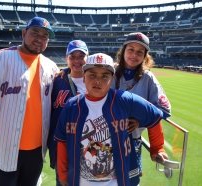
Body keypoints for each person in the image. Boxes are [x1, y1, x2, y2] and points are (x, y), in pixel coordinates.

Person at [54, 53, 166, 186]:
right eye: (92, 75)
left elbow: (154, 116)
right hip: (81, 181)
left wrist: (157, 149)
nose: (97, 81)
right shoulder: (71, 106)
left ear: (111, 79)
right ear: (84, 77)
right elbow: (62, 141)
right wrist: (62, 173)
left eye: (104, 76)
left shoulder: (125, 99)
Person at [0, 16, 59, 186]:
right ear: (23, 33)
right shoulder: (1, 58)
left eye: (45, 36)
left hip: (37, 149)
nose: (39, 39)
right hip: (4, 145)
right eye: (35, 33)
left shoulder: (52, 66)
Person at [114, 32, 171, 184]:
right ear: (123, 51)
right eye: (131, 49)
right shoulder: (109, 72)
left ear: (145, 56)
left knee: (131, 182)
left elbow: (164, 109)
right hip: (106, 139)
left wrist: (140, 121)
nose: (134, 55)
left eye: (140, 52)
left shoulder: (148, 78)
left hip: (132, 142)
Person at [48, 40, 89, 186]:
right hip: (63, 145)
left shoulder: (96, 79)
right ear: (67, 59)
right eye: (72, 57)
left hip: (89, 146)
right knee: (63, 181)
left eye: (81, 56)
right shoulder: (56, 80)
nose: (77, 61)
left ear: (87, 57)